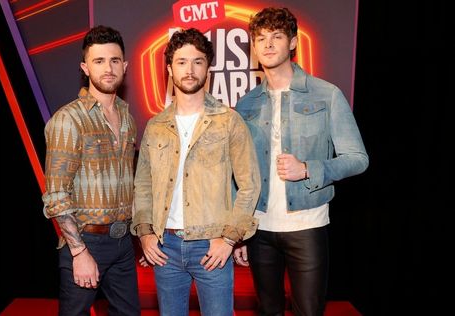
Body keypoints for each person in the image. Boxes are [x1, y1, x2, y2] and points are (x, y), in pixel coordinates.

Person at [233, 7, 369, 316]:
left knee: (309, 311)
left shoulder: (326, 94)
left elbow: (358, 159)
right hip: (259, 229)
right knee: (268, 310)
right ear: (253, 47)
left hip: (307, 224)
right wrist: (237, 231)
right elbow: (238, 173)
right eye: (261, 38)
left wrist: (308, 168)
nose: (267, 45)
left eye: (276, 37)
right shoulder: (246, 103)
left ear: (293, 43)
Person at [131, 28, 260, 316]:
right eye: (181, 62)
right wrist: (145, 234)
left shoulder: (229, 122)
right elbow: (143, 186)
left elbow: (250, 185)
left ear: (208, 69)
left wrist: (228, 239)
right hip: (166, 247)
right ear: (169, 68)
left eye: (198, 62)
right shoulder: (155, 125)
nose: (190, 70)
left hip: (212, 247)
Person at [42, 25, 140, 316]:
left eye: (114, 60)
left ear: (125, 65)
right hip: (86, 241)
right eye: (98, 61)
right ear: (85, 68)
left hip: (123, 244)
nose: (107, 68)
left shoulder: (126, 117)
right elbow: (56, 194)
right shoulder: (68, 119)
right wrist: (79, 252)